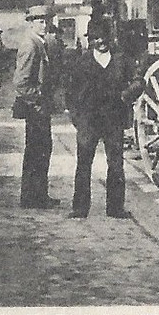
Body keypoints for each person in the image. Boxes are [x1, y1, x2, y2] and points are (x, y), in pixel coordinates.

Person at [65, 20, 143, 219]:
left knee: (116, 164)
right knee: (84, 164)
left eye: (104, 38)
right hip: (88, 121)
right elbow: (70, 92)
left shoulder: (121, 59)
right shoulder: (82, 62)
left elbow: (139, 81)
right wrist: (77, 117)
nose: (101, 42)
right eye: (96, 38)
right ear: (90, 40)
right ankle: (80, 208)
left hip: (113, 120)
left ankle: (115, 208)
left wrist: (125, 96)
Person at [13, 4, 60, 209]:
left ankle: (38, 195)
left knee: (41, 150)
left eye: (47, 21)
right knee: (36, 151)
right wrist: (39, 98)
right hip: (35, 108)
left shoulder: (39, 42)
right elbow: (21, 83)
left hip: (40, 108)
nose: (44, 25)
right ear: (31, 24)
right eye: (40, 22)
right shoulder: (30, 45)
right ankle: (32, 197)